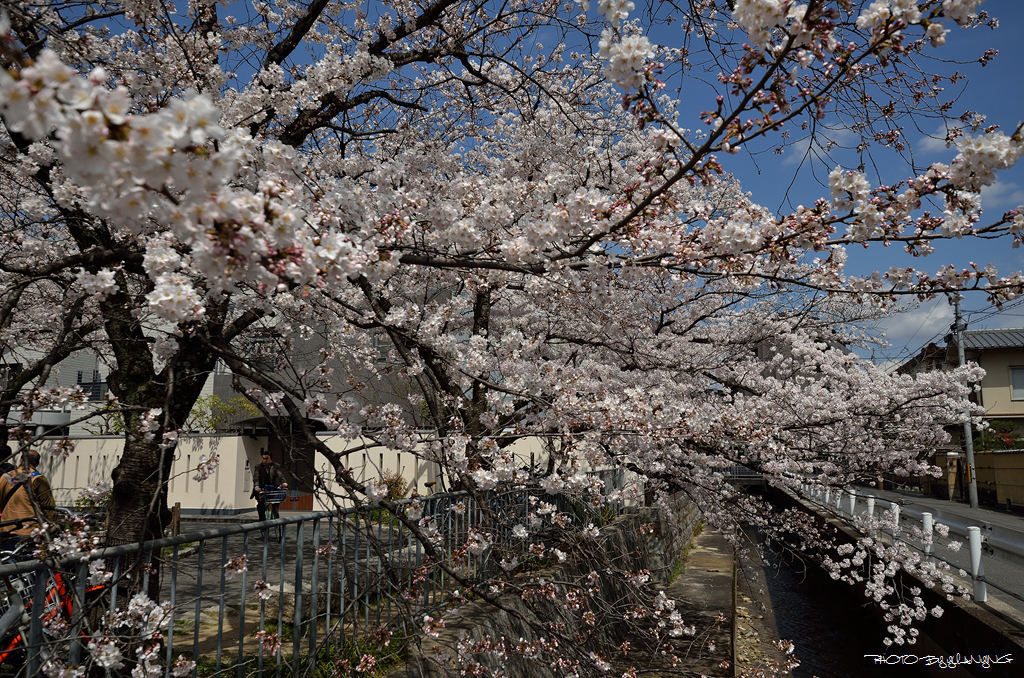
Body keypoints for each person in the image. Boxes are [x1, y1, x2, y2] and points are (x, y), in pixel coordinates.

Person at [0, 450, 55, 550]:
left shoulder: (6, 477)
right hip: (29, 531)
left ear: (21, 461)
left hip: (6, 529)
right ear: (37, 463)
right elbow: (49, 509)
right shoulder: (38, 479)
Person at [251, 451, 288, 523]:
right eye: (263, 458)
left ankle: (275, 517)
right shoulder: (258, 467)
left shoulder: (275, 466)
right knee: (260, 505)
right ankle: (262, 522)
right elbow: (256, 478)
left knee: (276, 502)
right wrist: (256, 486)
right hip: (262, 489)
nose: (264, 460)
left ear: (271, 458)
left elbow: (280, 475)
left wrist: (284, 482)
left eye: (266, 458)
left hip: (272, 488)